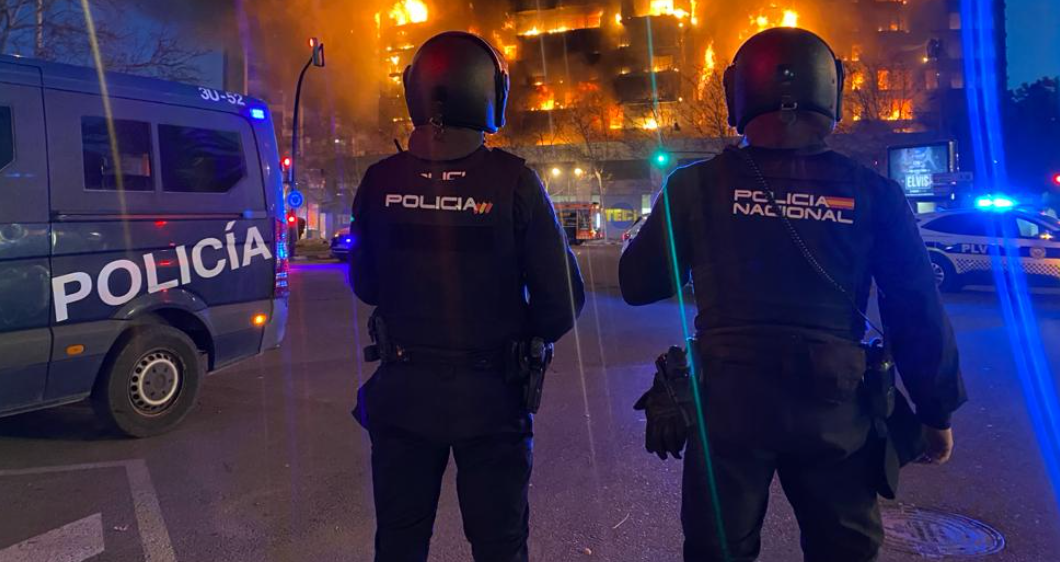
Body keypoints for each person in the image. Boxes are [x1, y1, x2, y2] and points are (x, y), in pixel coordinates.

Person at [620, 27, 966, 562]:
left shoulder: (694, 186)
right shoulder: (874, 193)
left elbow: (639, 284)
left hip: (727, 408)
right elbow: (916, 310)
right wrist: (936, 412)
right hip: (835, 410)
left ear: (737, 94)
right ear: (832, 92)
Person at [350, 30, 585, 562]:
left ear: (415, 91)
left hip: (402, 395)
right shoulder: (515, 182)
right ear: (490, 94)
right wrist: (517, 335)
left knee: (399, 543)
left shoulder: (379, 180)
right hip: (491, 400)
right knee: (500, 546)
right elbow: (561, 303)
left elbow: (365, 285)